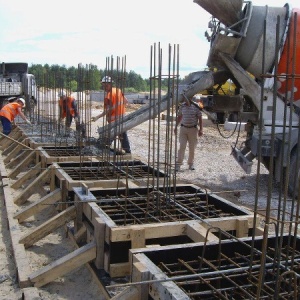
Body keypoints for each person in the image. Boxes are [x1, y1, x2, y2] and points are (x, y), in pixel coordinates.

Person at [91, 76, 131, 154]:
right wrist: (119, 109)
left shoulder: (108, 96)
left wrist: (97, 117)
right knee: (122, 135)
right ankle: (128, 152)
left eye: (106, 85)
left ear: (110, 84)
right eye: (103, 85)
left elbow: (106, 111)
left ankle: (101, 151)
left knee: (109, 137)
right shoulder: (118, 90)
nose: (104, 87)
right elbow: (126, 101)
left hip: (114, 121)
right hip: (122, 118)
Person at [174, 96, 203, 171]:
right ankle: (178, 164)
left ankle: (190, 164)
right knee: (182, 146)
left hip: (193, 129)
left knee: (192, 147)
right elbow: (179, 116)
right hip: (183, 129)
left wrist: (201, 129)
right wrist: (175, 127)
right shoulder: (182, 106)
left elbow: (200, 117)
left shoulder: (196, 106)